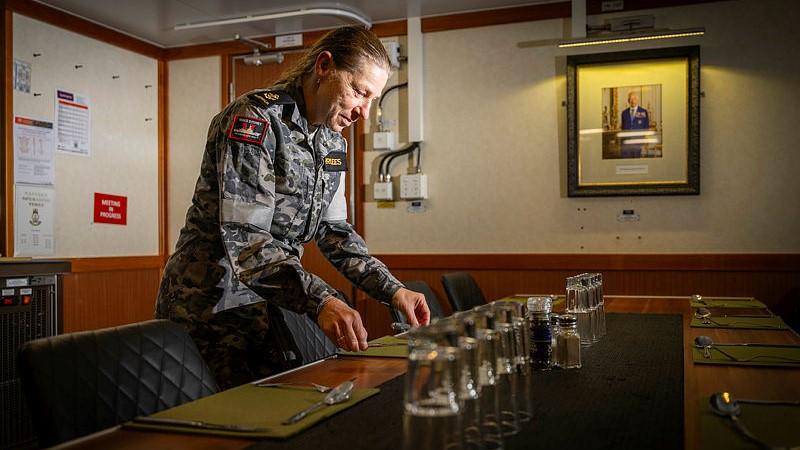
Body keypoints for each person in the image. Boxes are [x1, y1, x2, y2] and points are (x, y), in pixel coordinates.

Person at [156, 26, 430, 389]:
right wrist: (321, 300)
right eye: (359, 92)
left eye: (372, 99)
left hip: (267, 303)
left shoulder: (333, 144)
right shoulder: (255, 121)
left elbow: (335, 233)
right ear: (324, 66)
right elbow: (248, 241)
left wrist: (393, 290)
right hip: (209, 306)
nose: (364, 111)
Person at [620, 91, 650, 158]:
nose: (633, 101)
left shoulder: (643, 112)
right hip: (626, 144)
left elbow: (646, 128)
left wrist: (645, 144)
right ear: (628, 101)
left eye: (634, 98)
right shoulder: (624, 113)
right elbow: (622, 128)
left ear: (637, 100)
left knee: (637, 163)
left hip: (638, 143)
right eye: (631, 99)